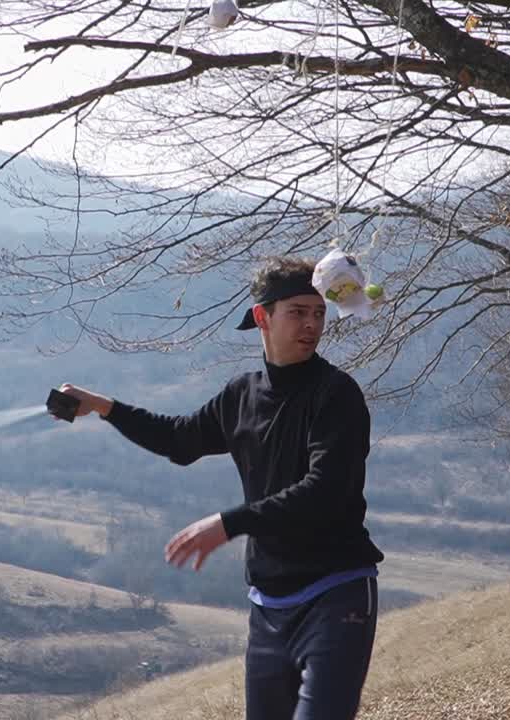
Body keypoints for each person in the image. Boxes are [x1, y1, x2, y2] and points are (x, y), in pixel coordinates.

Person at [57, 256, 383, 720]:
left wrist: (229, 524)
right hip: (269, 603)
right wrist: (104, 407)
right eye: (297, 312)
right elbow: (179, 440)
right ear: (262, 317)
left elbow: (323, 491)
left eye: (318, 312)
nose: (312, 324)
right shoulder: (240, 395)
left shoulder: (337, 394)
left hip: (337, 594)